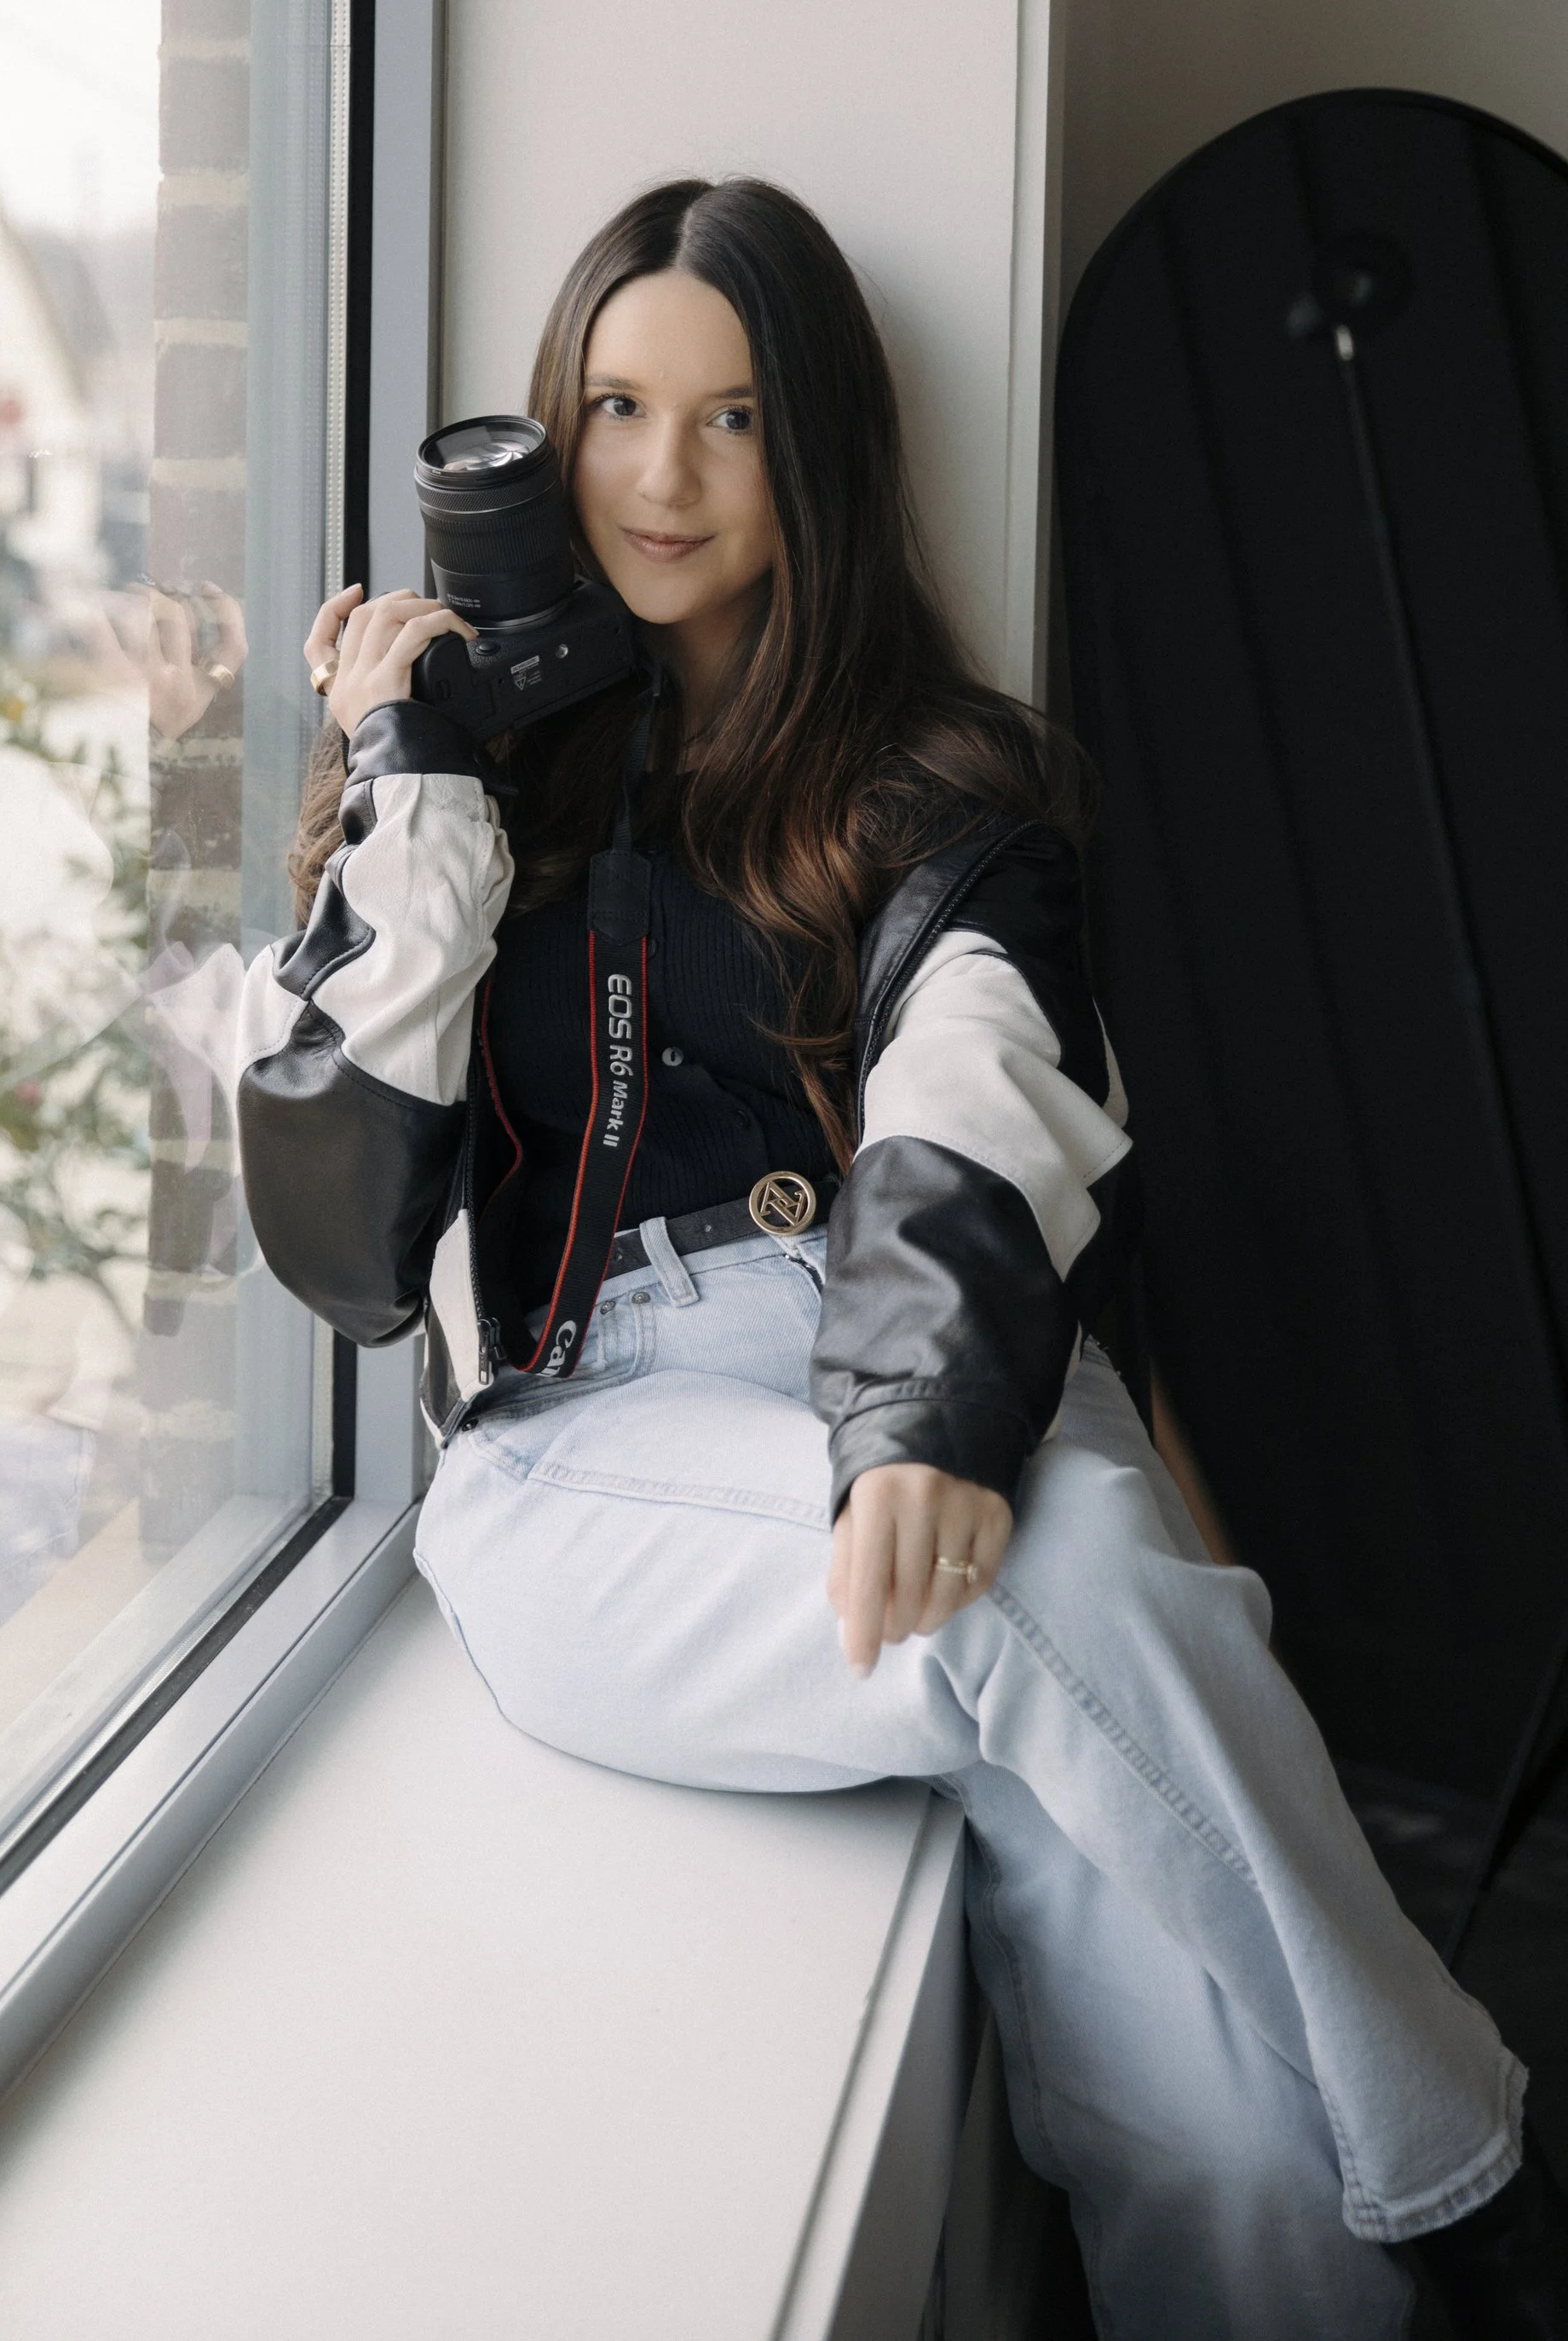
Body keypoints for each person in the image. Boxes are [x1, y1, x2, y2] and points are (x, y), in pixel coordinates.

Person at [233, 176, 1566, 2340]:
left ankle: (1381, 2197)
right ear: (551, 431)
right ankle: (1469, 2171)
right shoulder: (463, 781)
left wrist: (928, 1410)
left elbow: (971, 1079)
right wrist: (416, 790)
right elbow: (341, 1250)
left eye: (733, 418)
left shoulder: (948, 784)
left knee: (1235, 2153)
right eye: (615, 408)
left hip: (938, 1369)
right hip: (591, 1450)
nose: (662, 478)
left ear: (820, 449)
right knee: (1058, 1571)